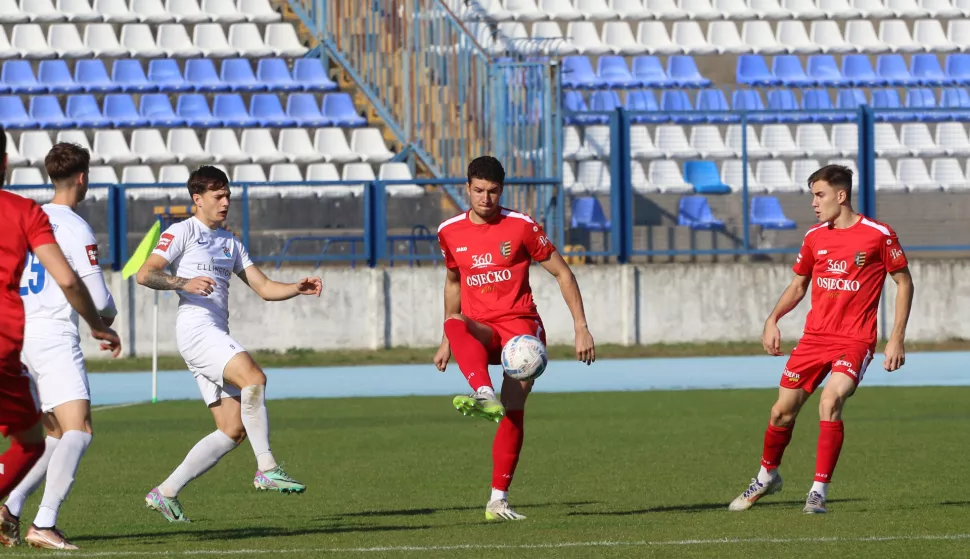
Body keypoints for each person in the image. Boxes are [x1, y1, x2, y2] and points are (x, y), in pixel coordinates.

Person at [136, 166, 322, 523]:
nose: (225, 203)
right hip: (196, 329)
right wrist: (183, 282)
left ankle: (166, 492)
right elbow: (146, 273)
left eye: (228, 196)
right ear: (197, 199)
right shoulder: (182, 231)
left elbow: (265, 288)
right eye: (218, 196)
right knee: (254, 378)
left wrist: (296, 288)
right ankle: (266, 467)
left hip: (211, 334)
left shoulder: (230, 243)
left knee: (232, 429)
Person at [728, 164, 914, 514]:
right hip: (814, 339)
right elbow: (799, 284)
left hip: (854, 340)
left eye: (820, 195)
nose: (814, 203)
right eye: (813, 195)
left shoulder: (878, 234)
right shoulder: (815, 237)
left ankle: (818, 490)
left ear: (841, 196)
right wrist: (773, 319)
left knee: (831, 400)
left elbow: (904, 282)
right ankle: (767, 477)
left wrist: (896, 339)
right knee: (781, 413)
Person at [434, 156, 595, 521]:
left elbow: (563, 273)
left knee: (514, 408)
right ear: (467, 188)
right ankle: (482, 392)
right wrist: (446, 340)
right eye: (478, 191)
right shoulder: (449, 231)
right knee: (454, 323)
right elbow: (453, 282)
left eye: (492, 192)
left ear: (501, 191)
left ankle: (497, 500)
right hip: (482, 328)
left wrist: (581, 326)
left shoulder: (521, 226)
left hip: (521, 330)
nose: (485, 199)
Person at [0, 134, 121, 548]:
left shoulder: (28, 214)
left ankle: (12, 506)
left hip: (19, 335)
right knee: (80, 429)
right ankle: (44, 523)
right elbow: (98, 298)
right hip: (53, 334)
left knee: (51, 436)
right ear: (82, 179)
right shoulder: (73, 226)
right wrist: (105, 322)